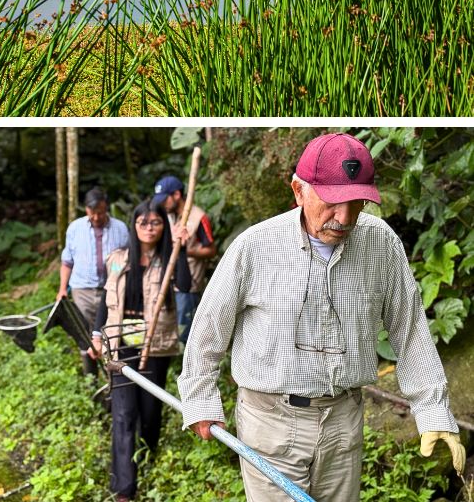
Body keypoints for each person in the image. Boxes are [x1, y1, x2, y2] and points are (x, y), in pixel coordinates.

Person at [179, 133, 465, 502]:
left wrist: (433, 412)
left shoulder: (381, 244)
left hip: (344, 421)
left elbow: (409, 331)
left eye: (357, 203)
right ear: (298, 191)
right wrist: (201, 401)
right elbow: (207, 331)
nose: (344, 218)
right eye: (332, 202)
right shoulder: (255, 247)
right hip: (270, 422)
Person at [88, 199, 192, 502]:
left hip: (155, 345)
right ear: (134, 226)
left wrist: (181, 248)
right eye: (143, 223)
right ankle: (124, 488)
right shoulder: (118, 259)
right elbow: (104, 301)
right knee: (123, 414)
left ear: (164, 226)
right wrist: (97, 335)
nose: (149, 229)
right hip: (120, 344)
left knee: (149, 412)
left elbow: (184, 286)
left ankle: (147, 461)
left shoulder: (168, 259)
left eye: (156, 223)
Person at [58, 187, 130, 375]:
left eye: (100, 212)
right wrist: (62, 289)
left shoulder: (120, 228)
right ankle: (91, 377)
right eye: (92, 212)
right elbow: (67, 262)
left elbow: (124, 259)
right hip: (83, 289)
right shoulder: (75, 228)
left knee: (110, 331)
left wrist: (114, 274)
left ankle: (111, 374)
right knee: (86, 334)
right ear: (86, 210)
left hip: (111, 289)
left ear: (106, 208)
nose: (96, 217)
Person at [151, 175, 215, 344]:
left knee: (185, 333)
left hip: (190, 285)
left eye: (165, 199)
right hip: (166, 281)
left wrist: (187, 251)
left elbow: (211, 250)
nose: (163, 204)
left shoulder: (198, 217)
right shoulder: (167, 216)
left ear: (177, 195)